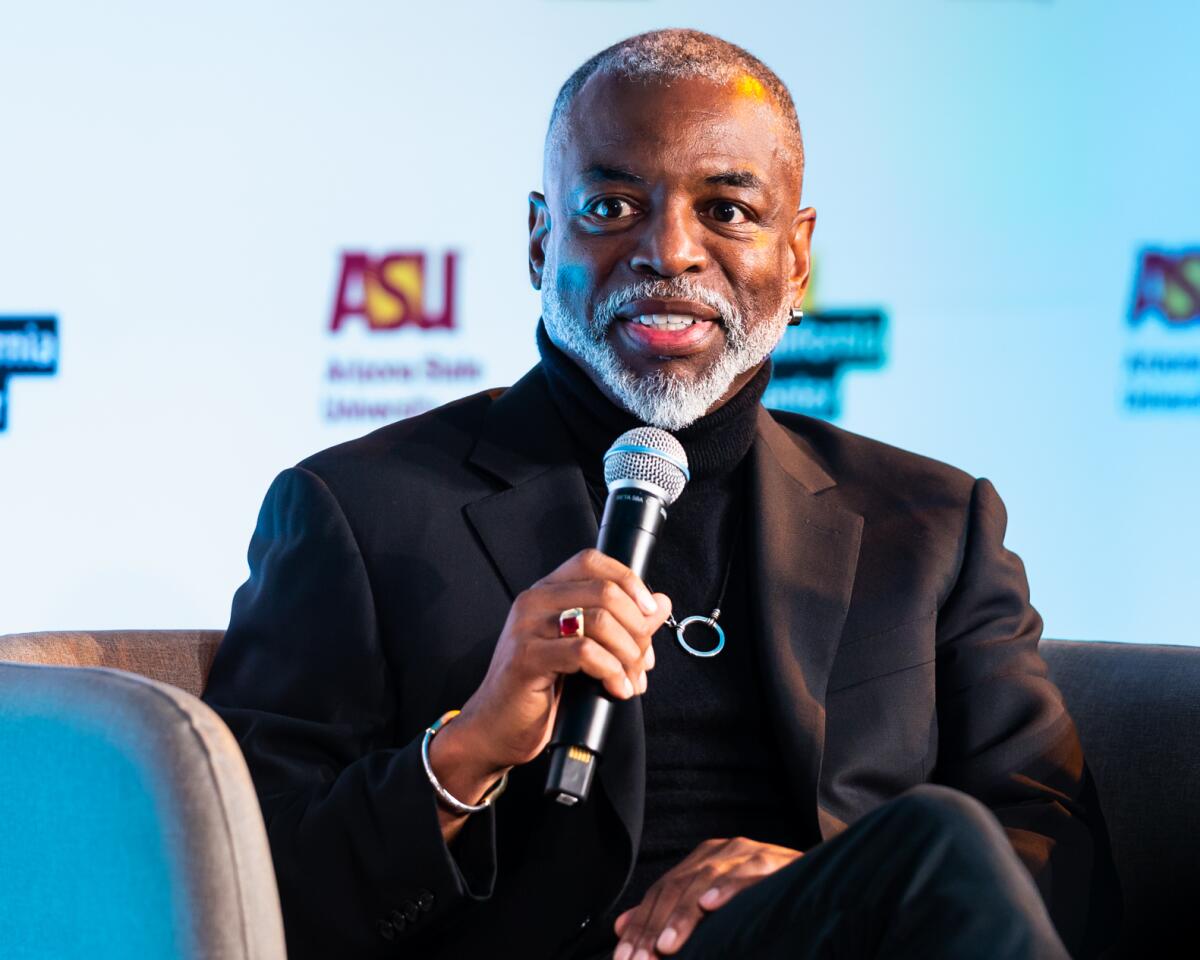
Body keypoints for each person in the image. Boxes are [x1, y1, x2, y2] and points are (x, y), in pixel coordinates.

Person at [203, 28, 1120, 960]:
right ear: (538, 239)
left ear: (796, 258)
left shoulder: (930, 525)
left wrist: (829, 880)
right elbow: (244, 881)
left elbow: (1054, 854)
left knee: (939, 839)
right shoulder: (359, 509)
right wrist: (470, 747)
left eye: (727, 209)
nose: (669, 252)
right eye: (610, 205)